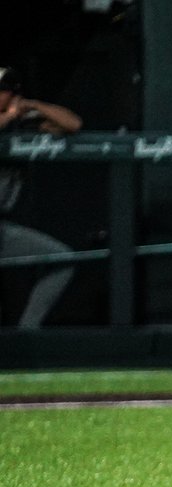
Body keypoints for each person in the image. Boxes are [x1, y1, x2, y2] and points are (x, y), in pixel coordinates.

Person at [0, 65, 82, 328]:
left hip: (3, 228)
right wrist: (10, 116)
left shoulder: (22, 121)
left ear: (12, 94)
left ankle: (26, 334)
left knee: (61, 259)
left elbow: (72, 124)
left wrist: (33, 105)